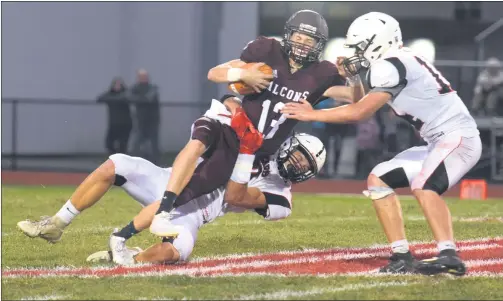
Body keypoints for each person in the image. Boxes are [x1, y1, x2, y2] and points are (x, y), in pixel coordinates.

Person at [281, 12, 482, 276]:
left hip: (458, 138)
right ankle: (401, 257)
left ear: (378, 42)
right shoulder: (398, 61)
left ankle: (449, 254)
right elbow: (357, 98)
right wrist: (338, 82)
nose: (356, 53)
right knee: (378, 179)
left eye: (360, 46)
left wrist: (311, 114)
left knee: (424, 185)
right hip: (441, 141)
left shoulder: (389, 65)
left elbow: (359, 112)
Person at [149, 9, 363, 238]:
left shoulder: (323, 74)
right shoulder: (268, 50)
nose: (302, 44)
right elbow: (214, 73)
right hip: (233, 137)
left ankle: (150, 224)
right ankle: (155, 215)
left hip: (261, 155)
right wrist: (243, 75)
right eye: (298, 37)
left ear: (318, 45)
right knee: (197, 178)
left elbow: (357, 100)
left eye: (309, 39)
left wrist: (354, 77)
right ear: (288, 36)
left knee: (215, 193)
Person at [18, 132, 326, 267]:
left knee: (177, 250)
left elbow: (237, 195)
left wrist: (246, 153)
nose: (298, 165)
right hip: (171, 180)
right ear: (290, 144)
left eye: (305, 166)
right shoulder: (266, 143)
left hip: (196, 209)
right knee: (116, 163)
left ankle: (126, 257)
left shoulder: (282, 198)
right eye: (300, 156)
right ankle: (59, 222)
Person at [130, 69, 161, 163]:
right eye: (141, 77)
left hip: (152, 120)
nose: (143, 79)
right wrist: (141, 99)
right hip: (140, 120)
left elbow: (149, 98)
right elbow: (129, 97)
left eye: (145, 77)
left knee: (153, 143)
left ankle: (156, 163)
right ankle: (134, 162)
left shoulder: (152, 88)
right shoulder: (134, 88)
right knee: (137, 142)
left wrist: (139, 99)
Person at [97, 77, 132, 155]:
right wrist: (112, 98)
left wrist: (116, 99)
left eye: (119, 85)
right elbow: (99, 98)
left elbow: (128, 98)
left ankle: (122, 161)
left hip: (125, 124)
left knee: (122, 145)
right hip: (113, 124)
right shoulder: (110, 94)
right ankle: (114, 156)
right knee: (109, 143)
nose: (117, 86)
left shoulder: (126, 94)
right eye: (116, 84)